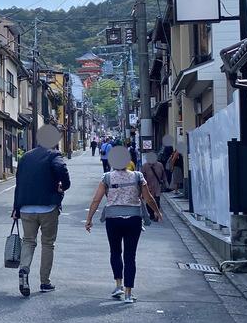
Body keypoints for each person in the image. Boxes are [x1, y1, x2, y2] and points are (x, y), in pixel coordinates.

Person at [85, 164, 161, 302]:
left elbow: (96, 199)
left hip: (113, 219)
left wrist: (89, 219)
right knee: (130, 256)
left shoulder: (107, 177)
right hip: (133, 219)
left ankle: (118, 285)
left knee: (115, 252)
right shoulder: (138, 176)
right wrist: (157, 211)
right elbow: (148, 198)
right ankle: (128, 294)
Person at [12, 123, 71, 298]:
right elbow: (61, 169)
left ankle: (24, 269)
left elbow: (18, 184)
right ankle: (45, 282)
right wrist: (64, 185)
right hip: (48, 207)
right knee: (47, 243)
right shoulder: (53, 155)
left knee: (28, 241)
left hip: (26, 208)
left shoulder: (25, 157)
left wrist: (16, 208)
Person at [141, 154, 166, 222]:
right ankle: (152, 214)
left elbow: (163, 175)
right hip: (149, 186)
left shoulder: (159, 165)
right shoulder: (145, 166)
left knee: (155, 200)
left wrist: (164, 183)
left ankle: (155, 215)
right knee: (150, 201)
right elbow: (143, 177)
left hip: (155, 186)